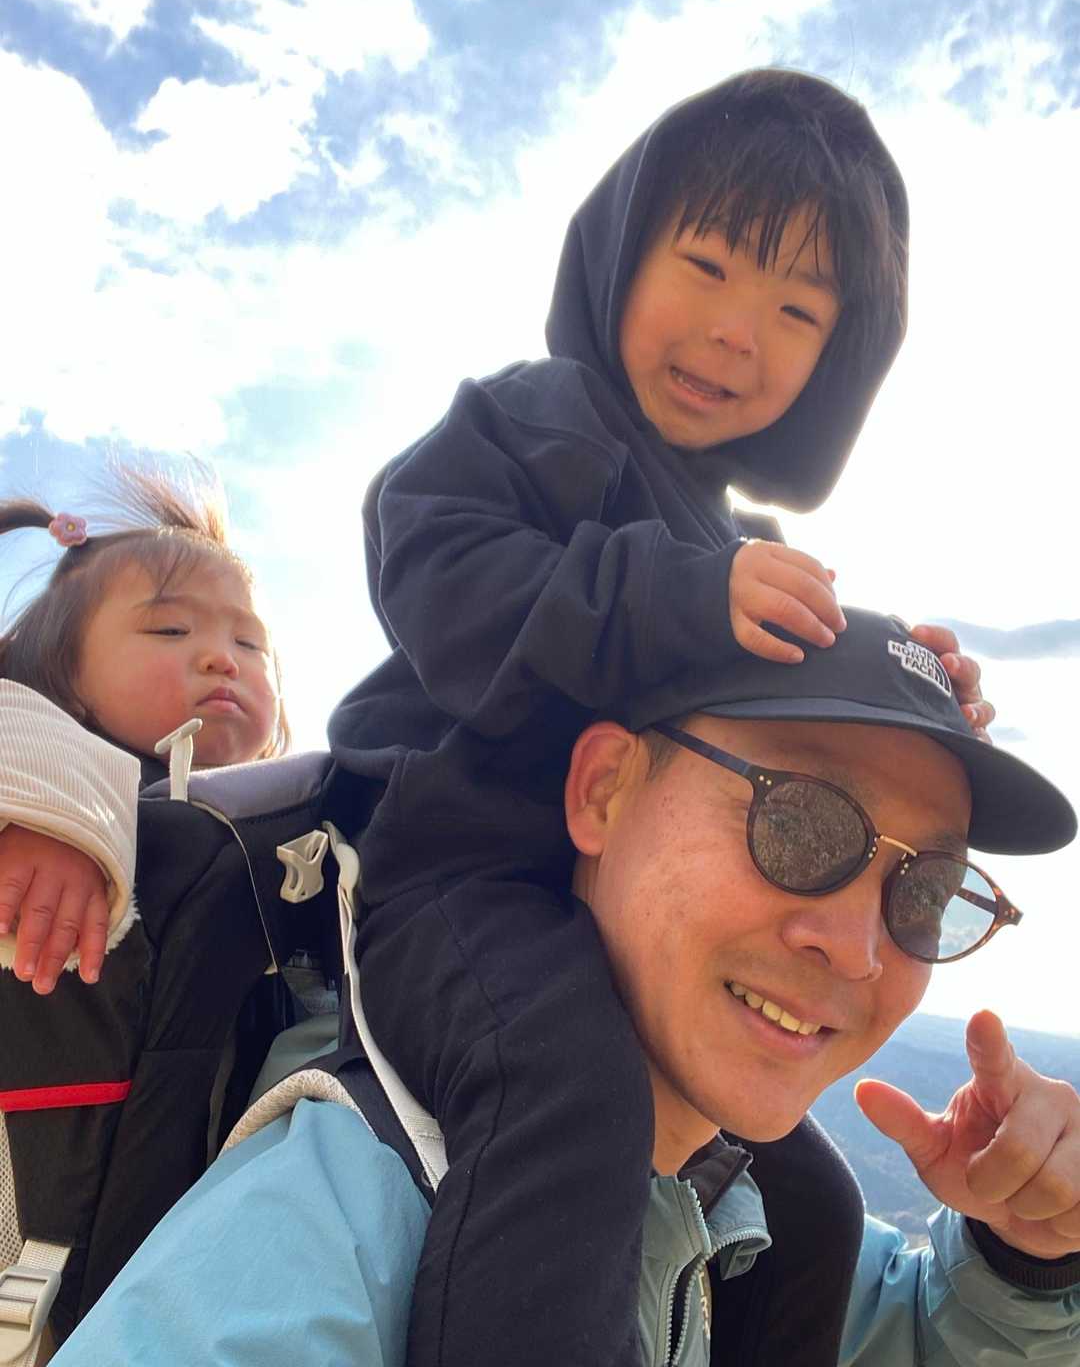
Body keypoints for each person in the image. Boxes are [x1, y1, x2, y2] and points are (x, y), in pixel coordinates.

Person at [327, 67, 994, 1366]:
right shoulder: (537, 421)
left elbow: (790, 707)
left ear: (837, 357)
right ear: (619, 254)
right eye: (706, 266)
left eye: (795, 310)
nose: (737, 334)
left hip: (626, 934)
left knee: (814, 1203)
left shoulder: (739, 540)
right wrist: (676, 598)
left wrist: (921, 695)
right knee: (572, 1093)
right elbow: (430, 565)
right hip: (455, 882)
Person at [48, 608, 1080, 1365]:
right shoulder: (334, 1230)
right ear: (603, 790)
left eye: (926, 890)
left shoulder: (726, 1195)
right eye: (799, 824)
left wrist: (1025, 1261)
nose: (859, 951)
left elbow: (907, 1339)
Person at [0, 469, 294, 1348]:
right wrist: (44, 801)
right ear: (61, 678)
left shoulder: (293, 838)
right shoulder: (38, 774)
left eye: (251, 643)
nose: (222, 657)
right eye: (170, 629)